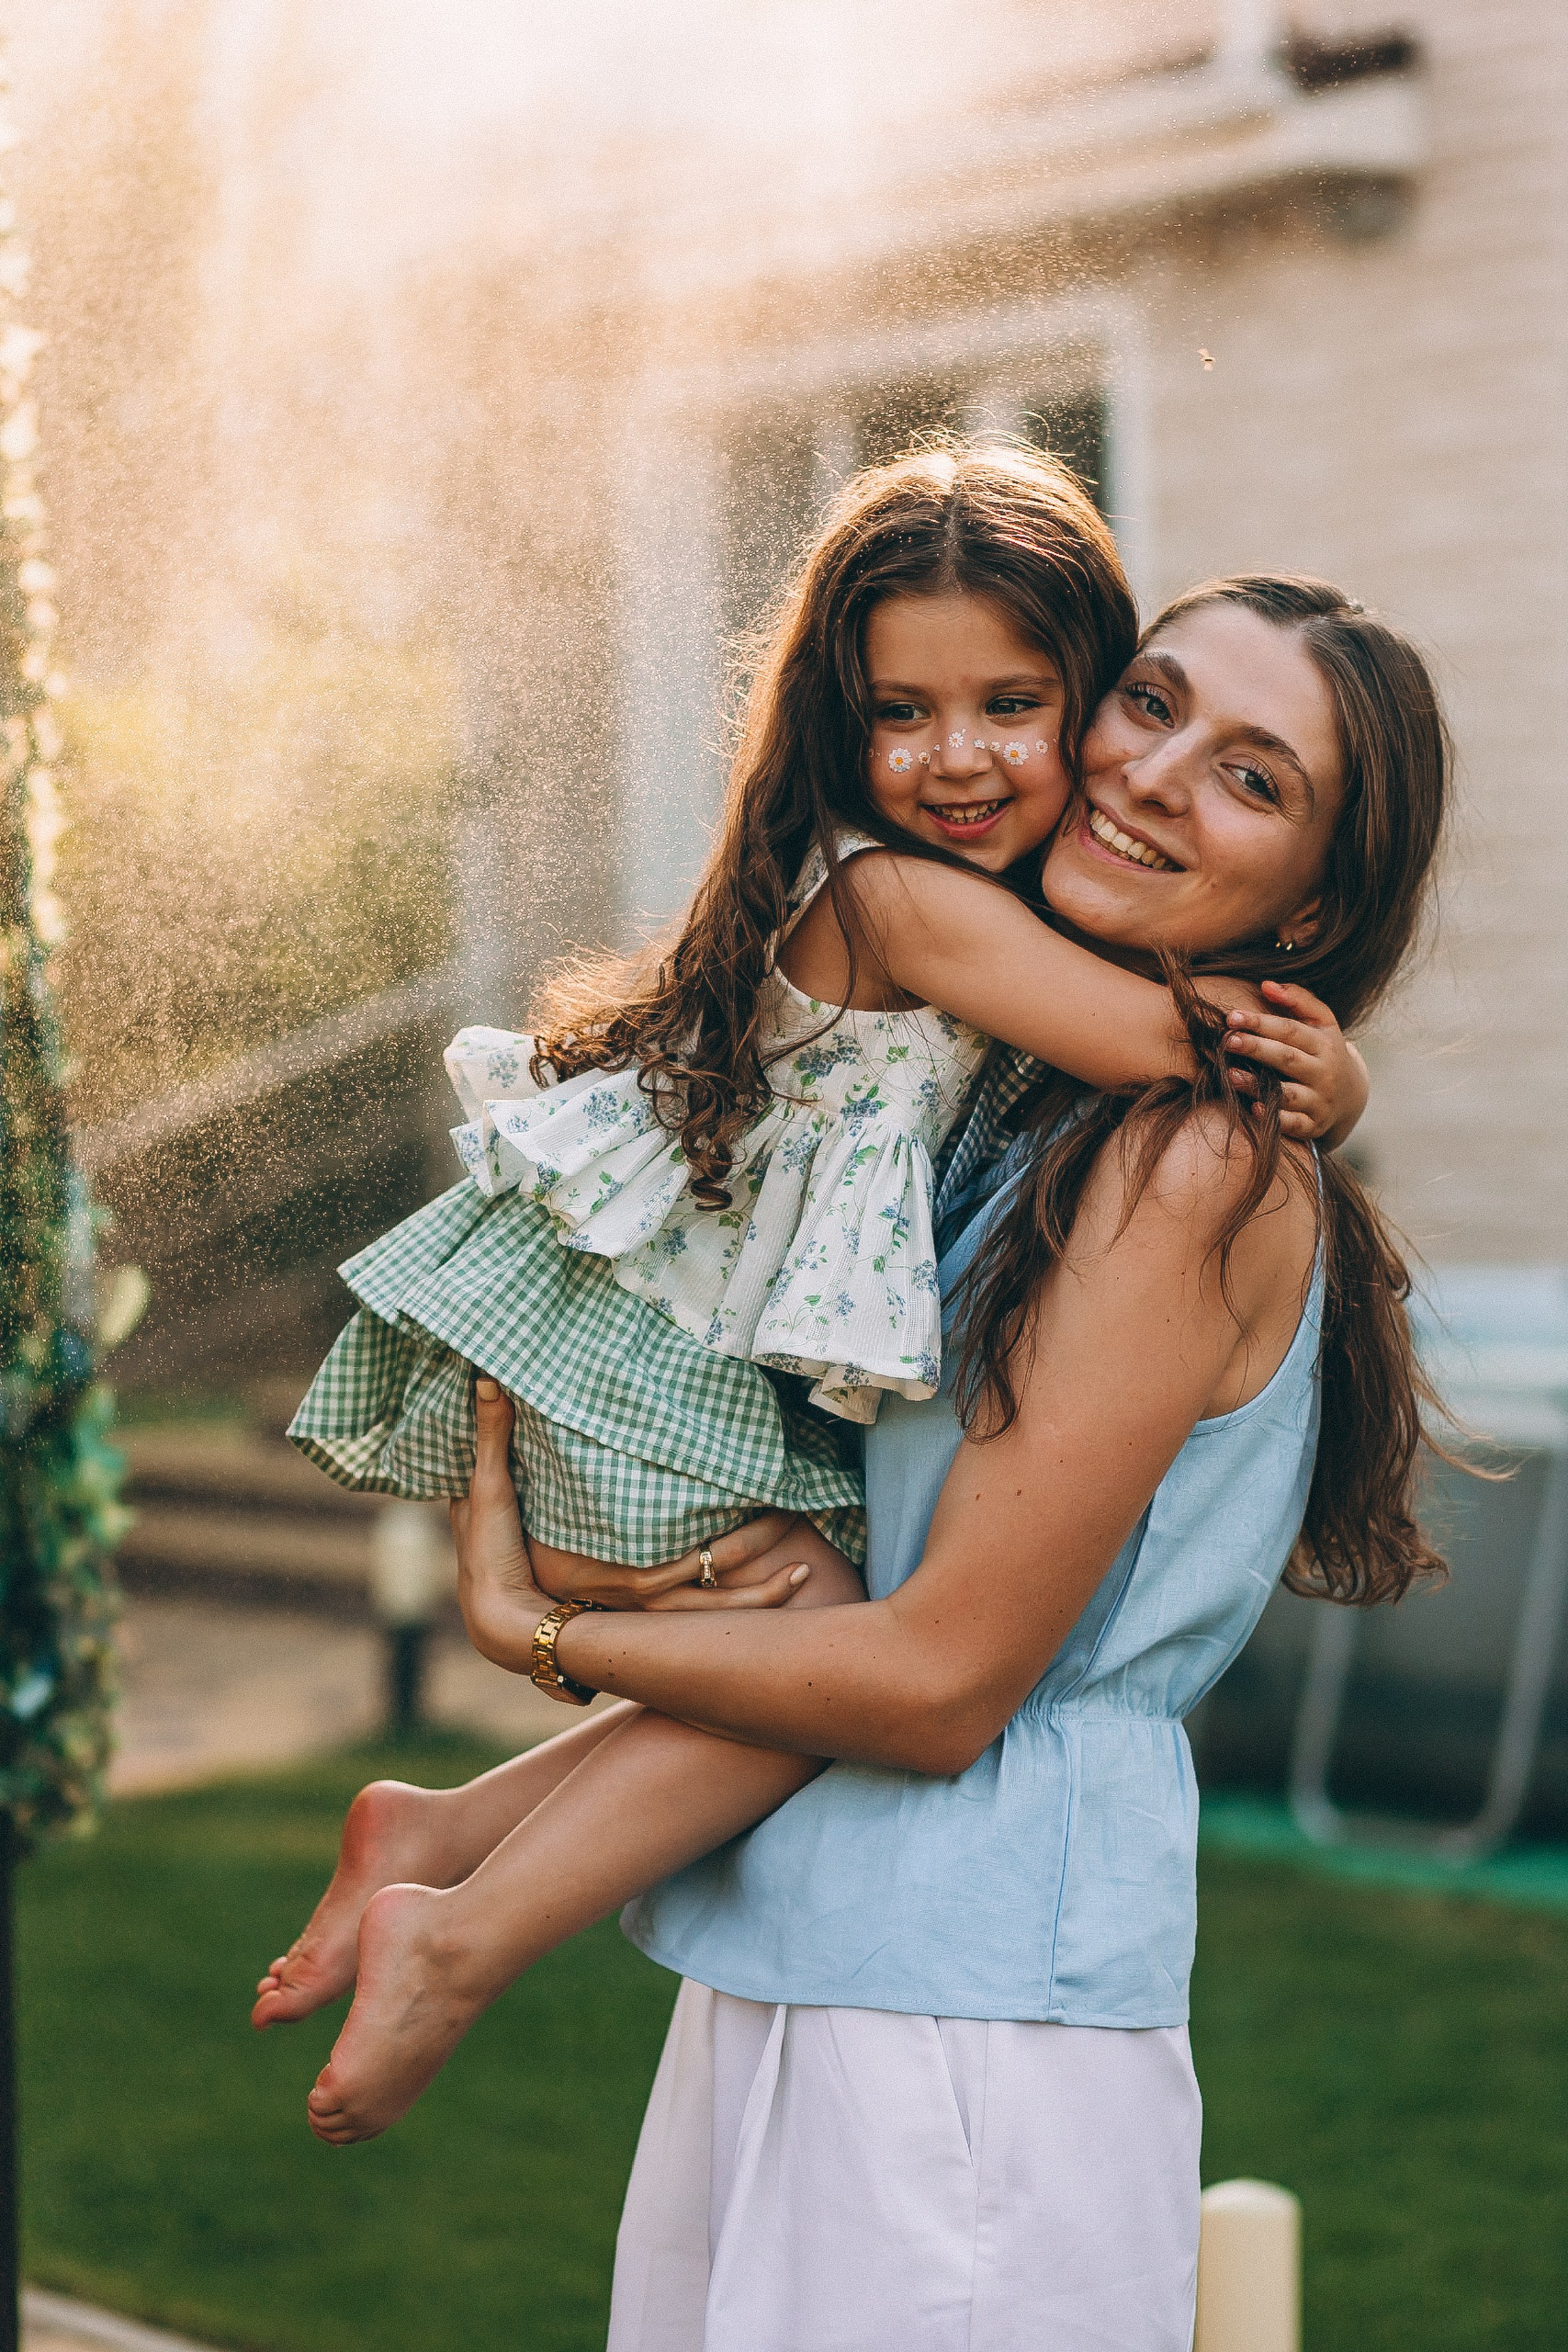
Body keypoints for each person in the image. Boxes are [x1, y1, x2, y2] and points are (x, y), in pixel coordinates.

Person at [304, 574, 1449, 2352]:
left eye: (1253, 778)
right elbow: (882, 1611)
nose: (1154, 775)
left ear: (1313, 902)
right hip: (807, 1971)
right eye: (1152, 704)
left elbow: (934, 1685)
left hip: (963, 2045)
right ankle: (457, 1847)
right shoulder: (1011, 1101)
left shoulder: (1190, 1163)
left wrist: (541, 1631)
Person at [257, 455, 1364, 2027]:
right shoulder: (902, 899)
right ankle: (470, 1934)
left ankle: (445, 1834)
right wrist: (1328, 1071)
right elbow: (1169, 1045)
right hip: (654, 1392)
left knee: (819, 1651)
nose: (955, 755)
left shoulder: (955, 910)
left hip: (661, 1382)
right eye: (901, 712)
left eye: (1012, 705)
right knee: (841, 1658)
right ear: (836, 728)